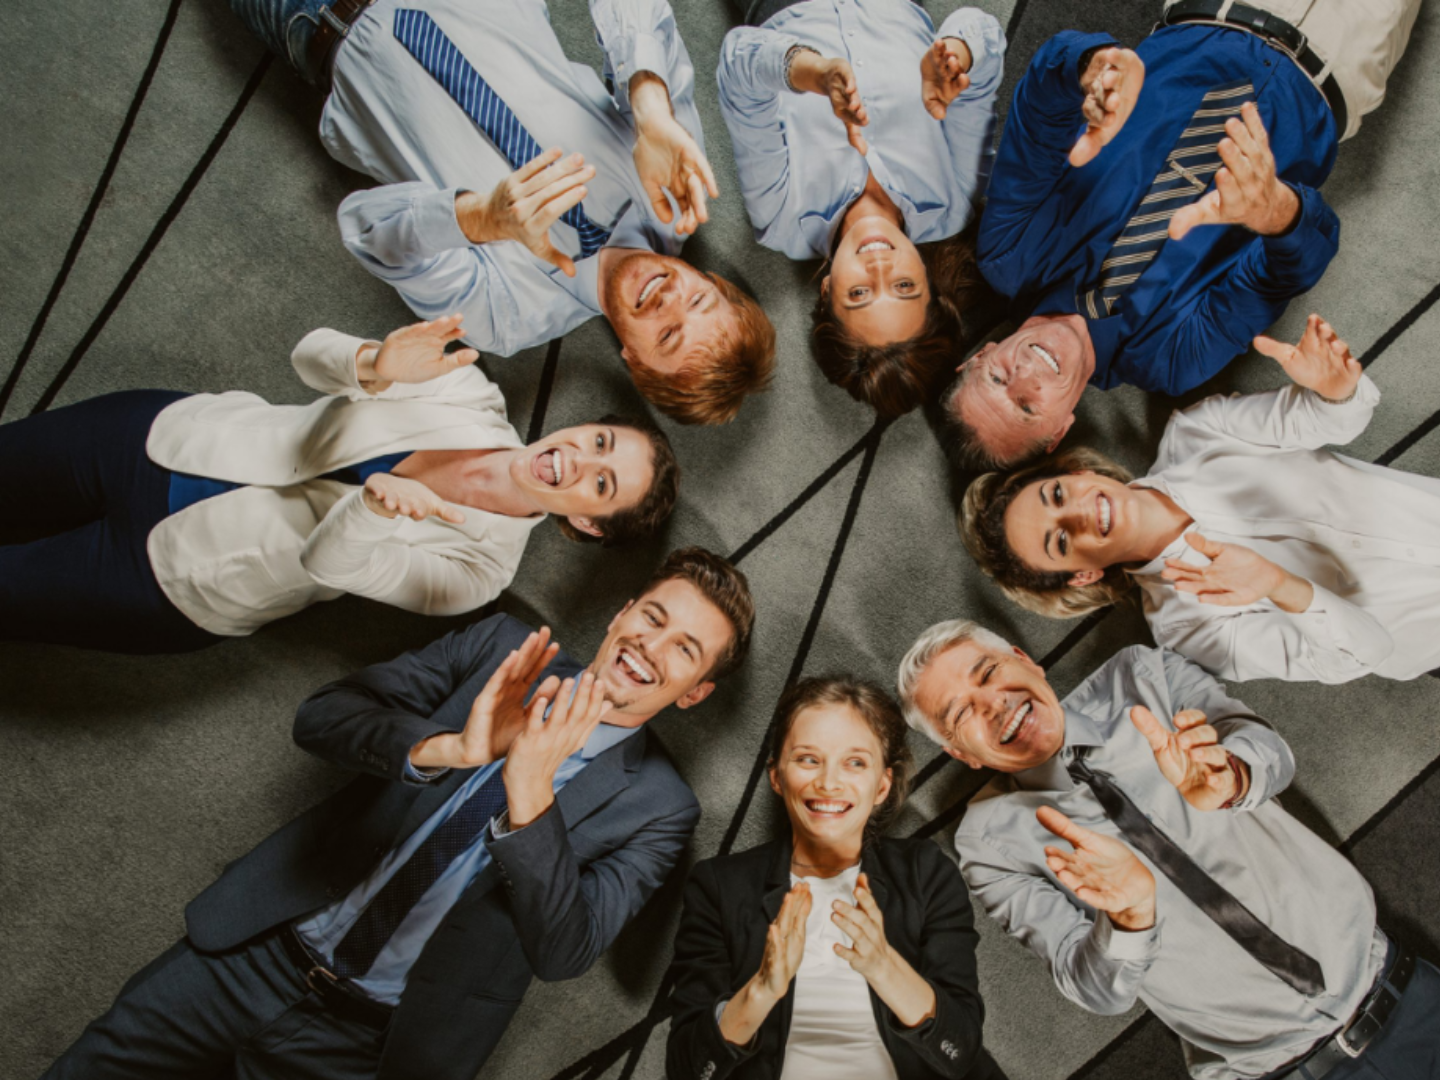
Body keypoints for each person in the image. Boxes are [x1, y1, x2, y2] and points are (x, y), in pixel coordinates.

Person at [42, 547, 755, 1080]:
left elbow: (566, 949)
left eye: (684, 650)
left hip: (366, 1047)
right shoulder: (502, 646)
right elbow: (325, 716)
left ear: (694, 692)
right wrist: (451, 748)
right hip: (253, 953)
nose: (650, 646)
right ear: (623, 612)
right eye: (652, 617)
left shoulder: (661, 809)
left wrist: (531, 795)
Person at [896, 621, 1440, 1080]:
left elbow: (1268, 749)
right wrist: (1128, 920)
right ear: (960, 753)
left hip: (1407, 995)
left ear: (1025, 660)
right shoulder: (988, 844)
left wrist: (1232, 776)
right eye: (961, 714)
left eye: (988, 673)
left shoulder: (1140, 676)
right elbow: (1095, 991)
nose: (994, 705)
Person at [229, 0, 776, 425]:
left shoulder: (510, 318)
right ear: (711, 280)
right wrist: (650, 103)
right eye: (698, 300)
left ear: (633, 361)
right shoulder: (680, 182)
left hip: (313, 25)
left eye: (669, 336)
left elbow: (366, 228)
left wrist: (481, 219)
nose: (668, 299)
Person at [0, 315, 677, 654]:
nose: (579, 460)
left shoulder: (480, 573)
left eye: (601, 485)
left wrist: (376, 511)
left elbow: (328, 564)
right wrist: (375, 364)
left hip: (178, 582)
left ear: (586, 523)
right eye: (600, 442)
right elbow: (307, 355)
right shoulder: (469, 391)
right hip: (164, 439)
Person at [938, 0, 1420, 469]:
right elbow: (1291, 269)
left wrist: (1090, 70)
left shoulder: (1008, 252)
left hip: (1215, 12)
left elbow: (1042, 102)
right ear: (1061, 430)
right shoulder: (1171, 359)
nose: (1025, 375)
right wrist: (1275, 211)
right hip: (1338, 62)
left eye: (997, 379)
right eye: (1027, 407)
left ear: (979, 357)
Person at [960, 315, 1440, 685]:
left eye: (1057, 495)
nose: (1078, 513)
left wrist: (1334, 391)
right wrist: (1279, 584)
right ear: (1084, 575)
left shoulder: (1198, 432)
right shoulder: (1186, 630)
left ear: (1078, 473)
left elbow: (1332, 419)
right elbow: (1364, 655)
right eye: (1061, 541)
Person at [666, 675, 998, 1080]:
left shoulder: (926, 872)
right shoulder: (719, 886)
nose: (828, 782)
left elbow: (960, 1050)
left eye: (855, 762)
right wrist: (762, 989)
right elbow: (688, 1070)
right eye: (808, 759)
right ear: (776, 776)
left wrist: (883, 967)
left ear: (882, 786)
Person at [715, 0, 1005, 418]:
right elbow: (985, 33)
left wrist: (814, 72)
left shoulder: (781, 218)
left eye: (859, 293)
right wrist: (957, 56)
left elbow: (737, 64)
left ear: (827, 291)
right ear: (928, 280)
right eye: (904, 286)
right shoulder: (956, 198)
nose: (879, 268)